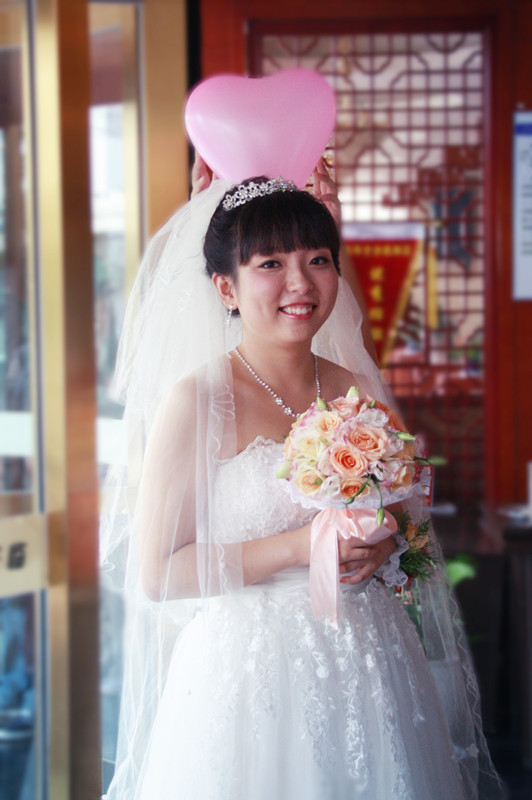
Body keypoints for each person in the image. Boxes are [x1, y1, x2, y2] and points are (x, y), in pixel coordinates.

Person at [101, 168, 504, 799]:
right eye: (270, 263)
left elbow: (408, 520)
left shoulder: (355, 387)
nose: (300, 282)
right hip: (249, 678)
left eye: (318, 258)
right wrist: (301, 545)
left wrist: (386, 542)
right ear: (225, 287)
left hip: (371, 660)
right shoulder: (198, 401)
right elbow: (158, 574)